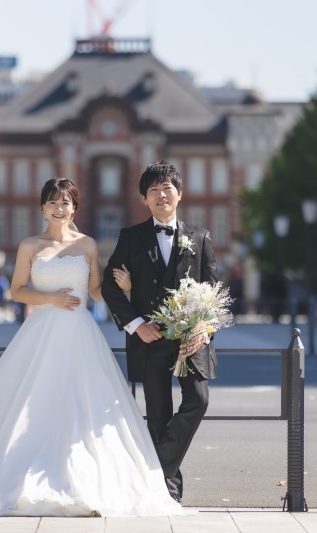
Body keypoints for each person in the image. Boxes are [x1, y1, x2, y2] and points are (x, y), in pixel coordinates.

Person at [0, 178, 185, 517]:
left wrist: (128, 290)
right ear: (43, 207)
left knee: (83, 404)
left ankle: (86, 482)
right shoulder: (30, 245)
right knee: (31, 402)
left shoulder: (87, 245)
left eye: (66, 203)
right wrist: (50, 299)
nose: (59, 209)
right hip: (41, 331)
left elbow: (97, 292)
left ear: (75, 207)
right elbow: (17, 290)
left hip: (79, 333)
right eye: (53, 203)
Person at [101, 160, 219, 503]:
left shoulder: (200, 236)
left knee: (198, 400)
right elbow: (109, 286)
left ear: (179, 194)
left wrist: (204, 332)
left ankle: (155, 470)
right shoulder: (131, 237)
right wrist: (138, 326)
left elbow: (213, 290)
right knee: (157, 417)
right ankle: (168, 495)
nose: (161, 194)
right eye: (153, 190)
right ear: (144, 199)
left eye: (167, 188)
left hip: (189, 342)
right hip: (150, 342)